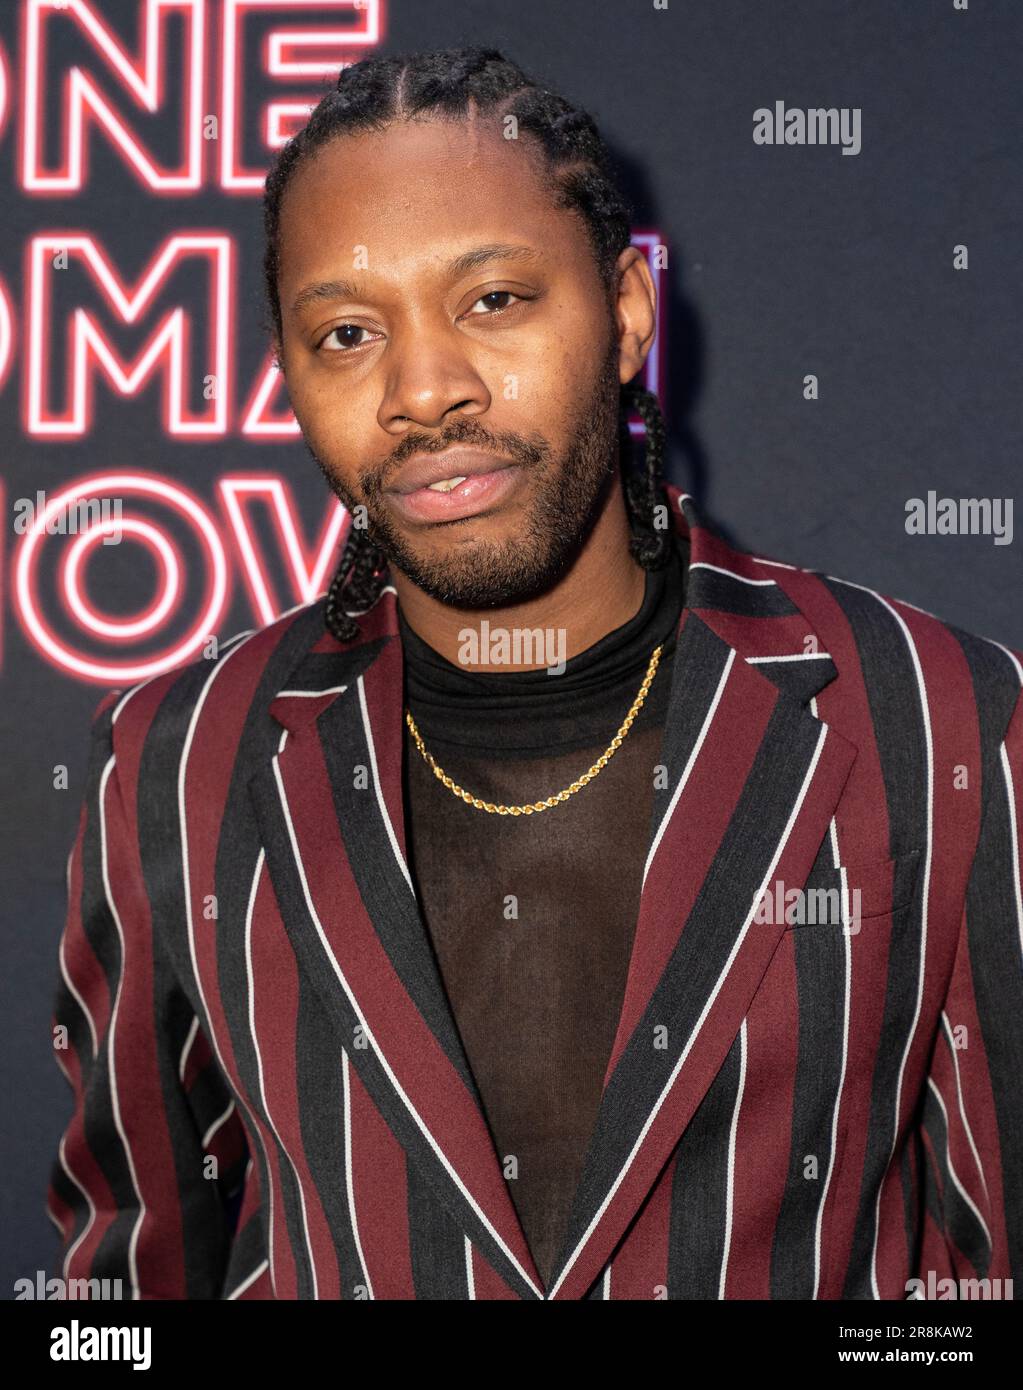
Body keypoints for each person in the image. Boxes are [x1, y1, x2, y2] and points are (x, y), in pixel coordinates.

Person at [47, 46, 1022, 1302]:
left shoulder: (936, 716)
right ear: (290, 378)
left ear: (625, 314)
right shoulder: (174, 762)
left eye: (495, 300)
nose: (423, 390)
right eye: (348, 332)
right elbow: (118, 1294)